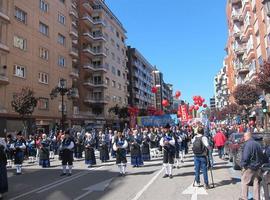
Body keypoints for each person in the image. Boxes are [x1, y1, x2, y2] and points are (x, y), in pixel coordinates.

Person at [240, 132, 264, 200]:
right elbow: (262, 155)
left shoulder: (248, 144)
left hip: (249, 167)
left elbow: (245, 157)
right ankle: (256, 198)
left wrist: (243, 165)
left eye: (244, 136)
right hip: (257, 167)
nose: (244, 138)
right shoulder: (257, 144)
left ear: (248, 136)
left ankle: (244, 198)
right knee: (256, 183)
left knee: (245, 182)